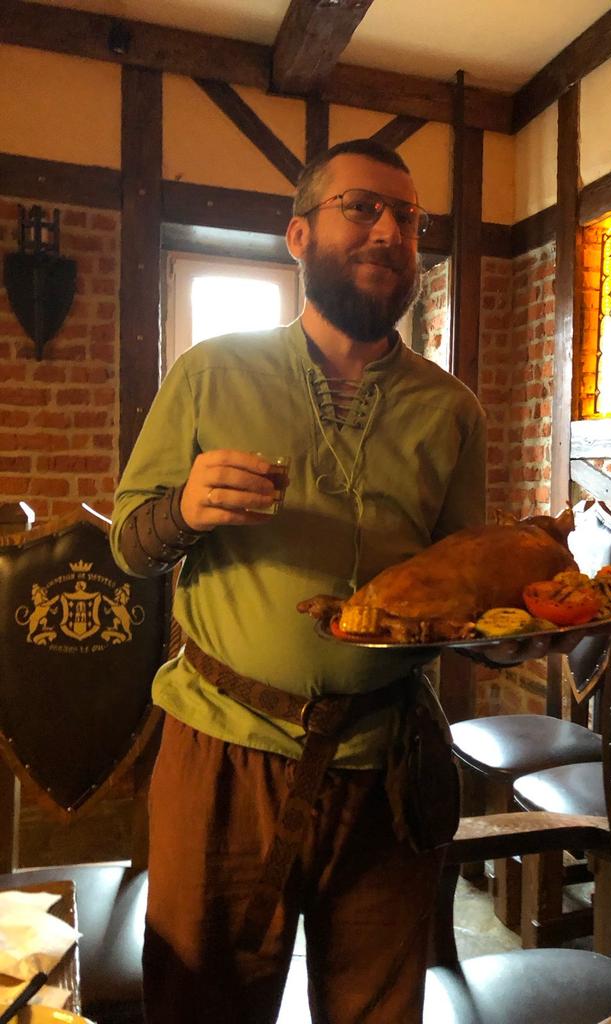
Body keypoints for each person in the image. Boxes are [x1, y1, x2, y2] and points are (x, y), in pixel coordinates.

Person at [110, 138, 486, 1024]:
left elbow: (464, 579)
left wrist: (508, 626)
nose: (390, 231)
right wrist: (184, 510)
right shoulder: (210, 372)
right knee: (201, 1006)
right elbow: (130, 547)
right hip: (224, 757)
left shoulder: (452, 410)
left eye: (409, 219)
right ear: (298, 235)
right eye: (362, 207)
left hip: (386, 763)